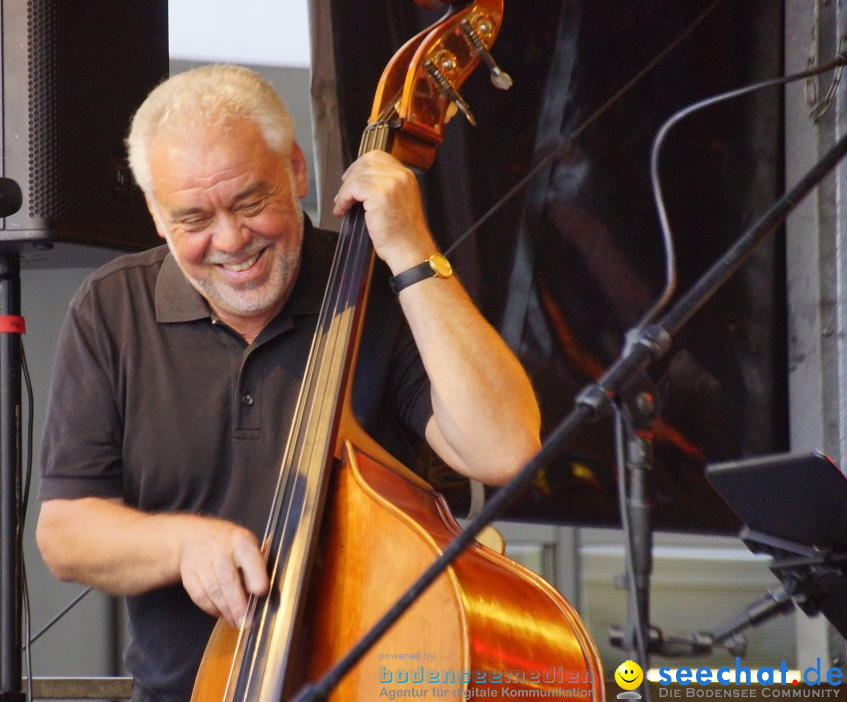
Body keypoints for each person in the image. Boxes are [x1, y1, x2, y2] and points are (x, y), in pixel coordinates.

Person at [35, 64, 541, 702]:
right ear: (156, 216)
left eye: (250, 202)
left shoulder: (385, 291)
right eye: (193, 218)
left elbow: (505, 452)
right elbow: (64, 534)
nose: (230, 240)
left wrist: (412, 250)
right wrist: (184, 542)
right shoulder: (111, 309)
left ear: (296, 170)